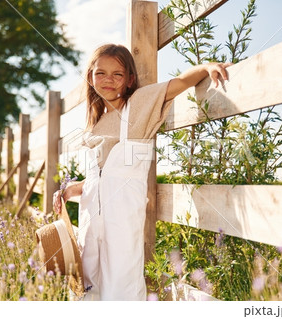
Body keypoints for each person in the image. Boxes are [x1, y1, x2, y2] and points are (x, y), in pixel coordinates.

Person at [53, 44, 231, 301]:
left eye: (118, 74)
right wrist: (71, 189)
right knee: (87, 289)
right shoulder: (96, 121)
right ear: (90, 76)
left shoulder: (138, 104)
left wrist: (206, 68)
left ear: (129, 79)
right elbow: (99, 179)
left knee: (121, 289)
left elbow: (179, 83)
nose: (109, 80)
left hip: (122, 222)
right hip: (91, 222)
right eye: (100, 73)